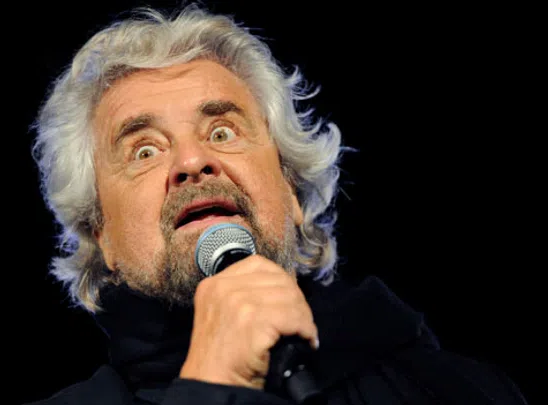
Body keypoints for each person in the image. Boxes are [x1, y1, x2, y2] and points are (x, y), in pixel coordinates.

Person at [26, 5, 527, 404]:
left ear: (291, 191)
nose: (193, 161)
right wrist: (211, 385)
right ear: (103, 236)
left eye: (222, 132)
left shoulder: (455, 387)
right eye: (145, 151)